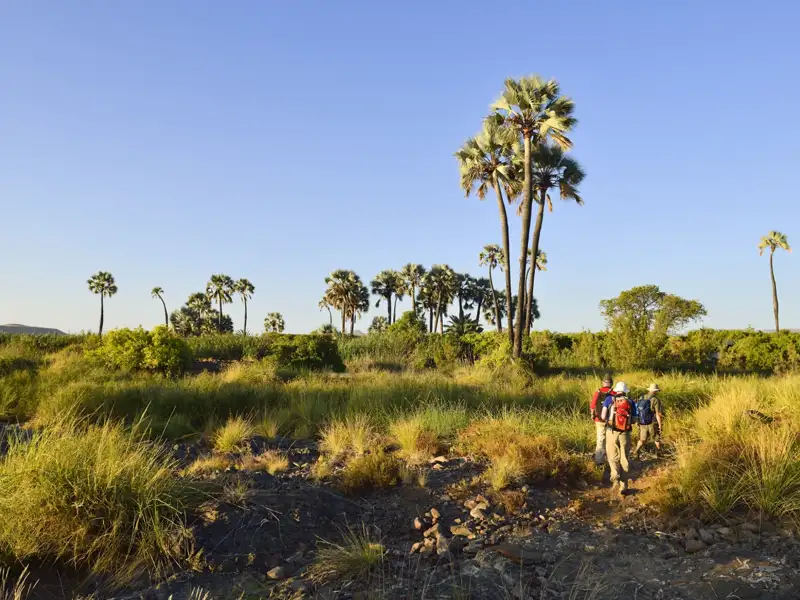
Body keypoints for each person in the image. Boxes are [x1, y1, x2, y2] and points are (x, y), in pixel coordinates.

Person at [601, 381, 635, 495]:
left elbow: (602, 416)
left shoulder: (609, 400)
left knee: (612, 456)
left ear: (616, 390)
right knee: (624, 458)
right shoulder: (630, 401)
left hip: (611, 431)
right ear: (625, 391)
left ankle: (615, 475)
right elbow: (634, 419)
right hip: (625, 433)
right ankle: (623, 486)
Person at [590, 374, 615, 464]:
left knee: (600, 439)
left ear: (603, 382)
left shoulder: (598, 392)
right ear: (611, 383)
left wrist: (593, 415)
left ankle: (599, 460)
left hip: (599, 419)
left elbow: (592, 406)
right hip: (611, 420)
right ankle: (611, 459)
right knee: (610, 440)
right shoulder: (614, 393)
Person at [634, 383, 663, 458]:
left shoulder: (641, 397)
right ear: (656, 391)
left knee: (642, 439)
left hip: (642, 422)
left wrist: (638, 421)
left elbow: (638, 410)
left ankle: (636, 451)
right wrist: (660, 425)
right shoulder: (655, 399)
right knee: (656, 438)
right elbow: (657, 414)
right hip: (652, 422)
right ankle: (658, 454)